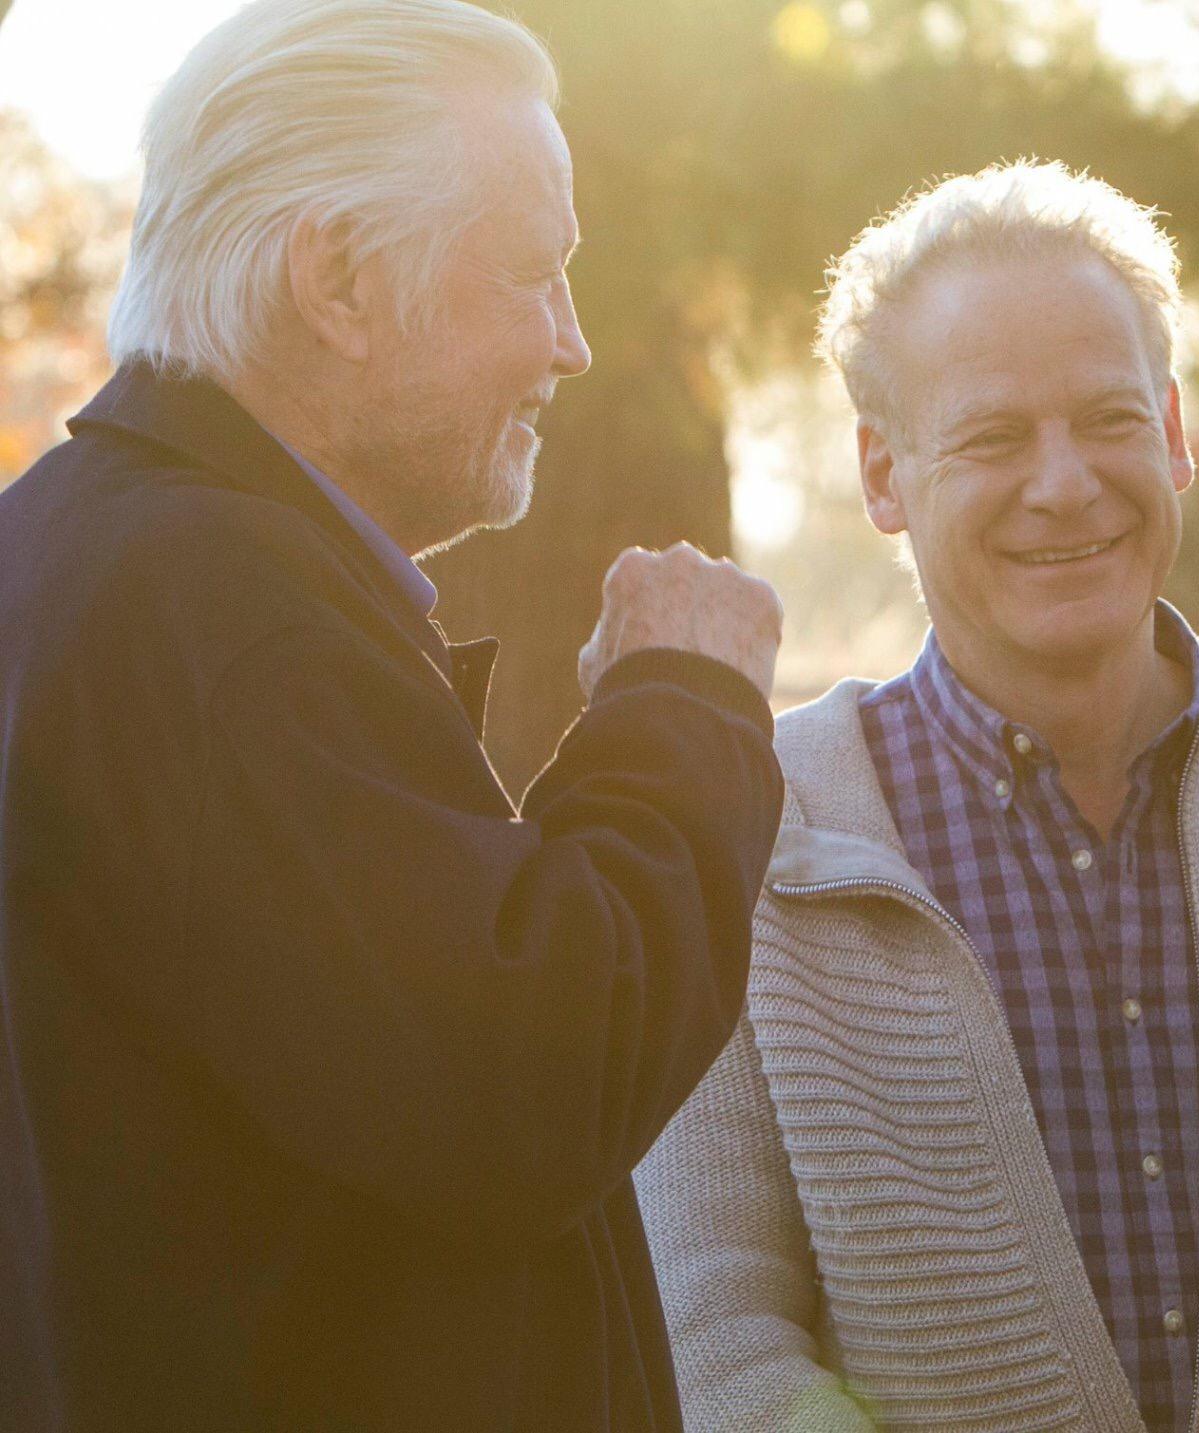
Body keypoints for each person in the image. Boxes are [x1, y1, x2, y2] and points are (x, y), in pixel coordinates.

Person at [634, 160, 1199, 1432]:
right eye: (994, 436)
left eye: (1108, 419)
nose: (1063, 482)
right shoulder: (754, 837)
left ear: (1172, 432)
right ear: (883, 474)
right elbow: (710, 1320)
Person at [0, 2, 784, 1429]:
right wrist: (686, 702)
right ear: (343, 278)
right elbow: (536, 1080)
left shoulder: (94, 555)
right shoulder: (210, 606)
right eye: (536, 274)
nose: (575, 343)